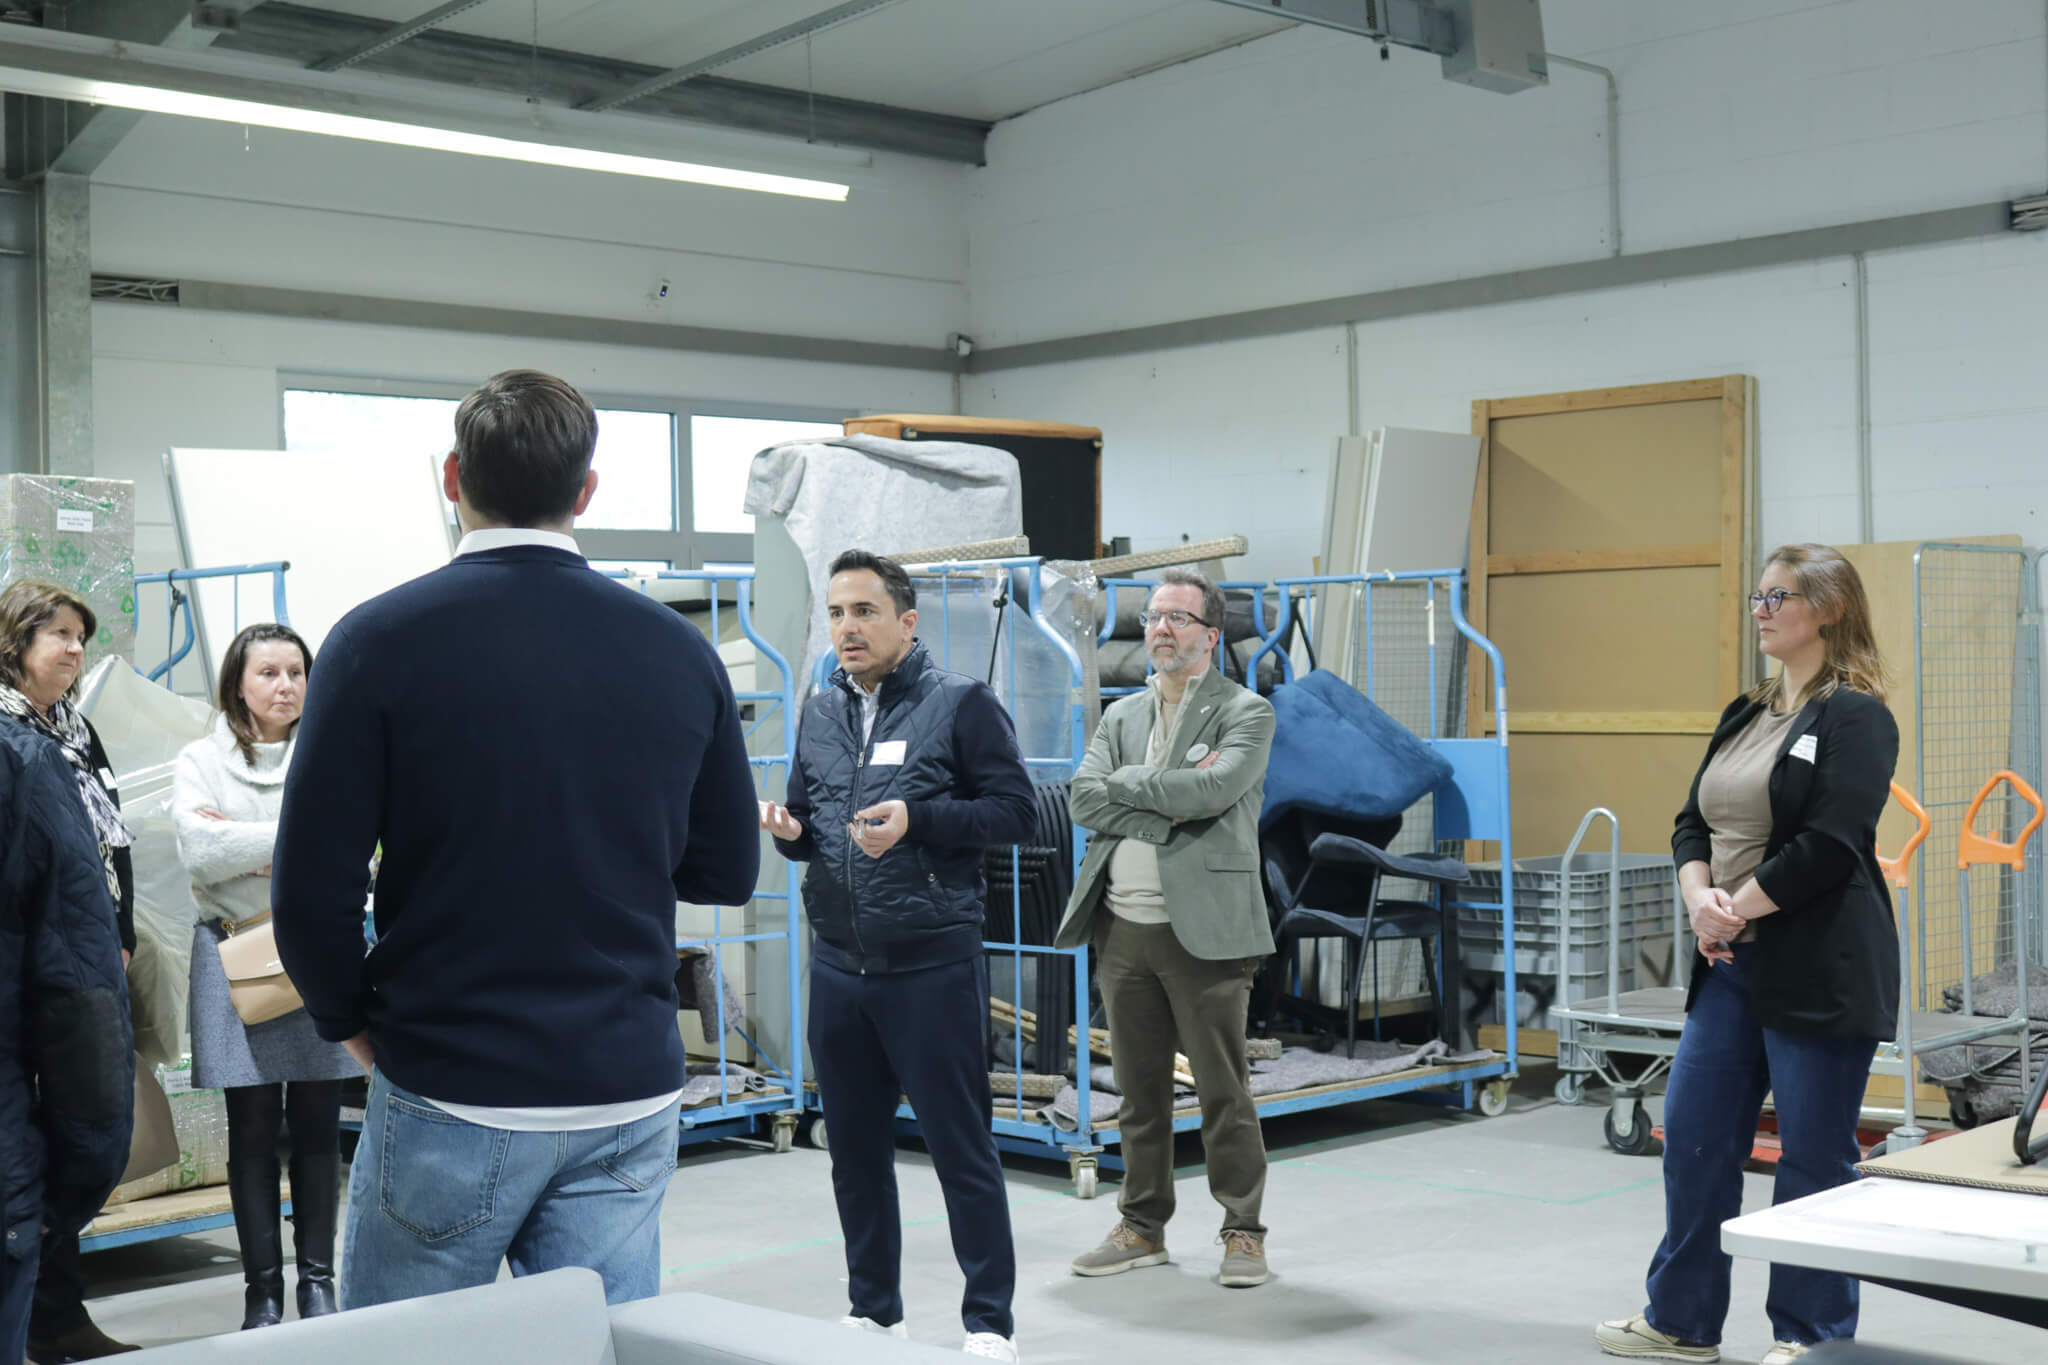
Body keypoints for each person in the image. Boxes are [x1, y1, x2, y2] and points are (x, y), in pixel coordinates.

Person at [271, 369, 759, 1310]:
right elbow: (728, 868)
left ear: (453, 477)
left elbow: (309, 894)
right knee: (597, 1343)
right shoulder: (678, 649)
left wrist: (348, 1020)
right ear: (587, 491)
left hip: (453, 1076)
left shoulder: (375, 642)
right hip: (625, 1087)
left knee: (406, 1350)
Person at [1597, 544, 1898, 1365]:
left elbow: (1831, 843)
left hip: (1819, 966)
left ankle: (1811, 1336)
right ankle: (1682, 1320)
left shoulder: (1857, 717)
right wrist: (1700, 897)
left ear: (1829, 609)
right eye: (1758, 597)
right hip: (1730, 966)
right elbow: (1691, 821)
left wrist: (1733, 910)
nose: (1761, 610)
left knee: (1813, 1159)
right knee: (1695, 1139)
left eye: (1778, 596)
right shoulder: (1746, 710)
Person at [759, 549, 1034, 1362]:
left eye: (864, 611)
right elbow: (812, 823)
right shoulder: (820, 712)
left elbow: (1016, 811)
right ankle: (875, 1310)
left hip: (930, 966)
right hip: (839, 966)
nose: (847, 627)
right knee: (853, 1150)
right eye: (837, 613)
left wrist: (919, 819)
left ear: (907, 621)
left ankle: (989, 1322)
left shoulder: (961, 703)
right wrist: (791, 832)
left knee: (960, 1148)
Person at [1052, 567, 1277, 1290]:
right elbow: (1084, 799)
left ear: (1210, 634)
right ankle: (1141, 1225)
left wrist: (1132, 787)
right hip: (1123, 927)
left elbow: (1213, 789)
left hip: (1206, 930)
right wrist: (1163, 802)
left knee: (1223, 1091)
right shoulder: (1121, 716)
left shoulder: (1246, 711)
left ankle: (1243, 1231)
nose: (1160, 629)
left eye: (1178, 617)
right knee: (1139, 1092)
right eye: (1153, 617)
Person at [173, 623, 352, 1330]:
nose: (285, 686)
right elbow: (199, 851)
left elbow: (356, 846)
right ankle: (263, 1293)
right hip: (232, 953)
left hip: (317, 950)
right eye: (268, 673)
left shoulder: (332, 751)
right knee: (250, 1129)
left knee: (317, 1124)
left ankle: (318, 1284)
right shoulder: (200, 759)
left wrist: (243, 845)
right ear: (237, 683)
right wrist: (296, 842)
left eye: (296, 672)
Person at [0, 581, 141, 1363]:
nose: (75, 648)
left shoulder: (75, 731)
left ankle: (56, 1313)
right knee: (31, 1149)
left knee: (76, 1130)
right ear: (15, 640)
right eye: (58, 632)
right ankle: (42, 1315)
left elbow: (112, 842)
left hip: (84, 956)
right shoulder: (12, 739)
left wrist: (119, 935)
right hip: (32, 966)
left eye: (80, 635)